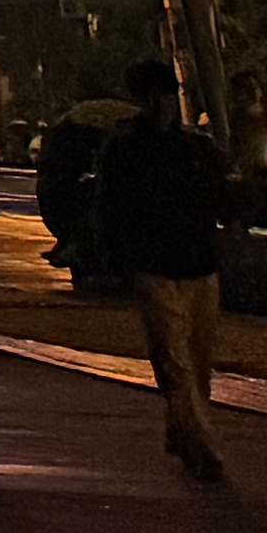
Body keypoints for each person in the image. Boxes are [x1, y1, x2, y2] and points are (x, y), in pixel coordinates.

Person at [97, 57, 229, 484]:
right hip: (154, 266)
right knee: (175, 360)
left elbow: (222, 197)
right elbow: (110, 208)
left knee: (198, 359)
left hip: (198, 264)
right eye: (153, 97)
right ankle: (202, 446)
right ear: (141, 100)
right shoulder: (124, 148)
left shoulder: (196, 149)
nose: (162, 105)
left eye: (167, 95)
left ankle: (182, 430)